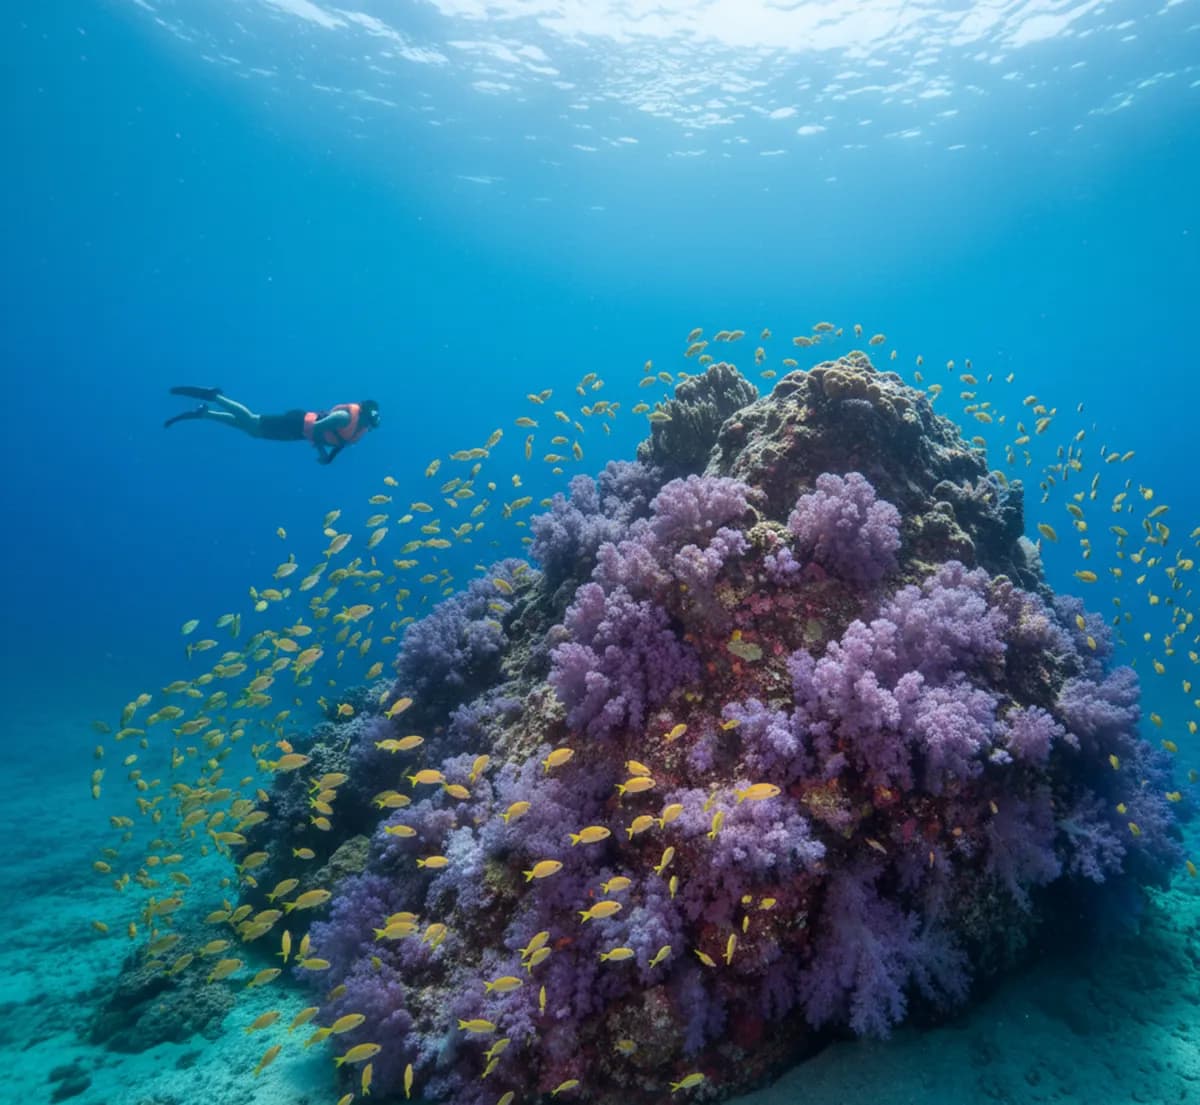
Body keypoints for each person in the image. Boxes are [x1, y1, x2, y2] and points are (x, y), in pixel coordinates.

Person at [165, 386, 380, 464]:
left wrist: (328, 458)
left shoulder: (358, 430)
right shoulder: (344, 417)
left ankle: (206, 413)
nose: (366, 427)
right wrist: (322, 451)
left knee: (253, 431)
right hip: (297, 423)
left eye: (370, 425)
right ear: (362, 413)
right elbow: (318, 429)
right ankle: (216, 397)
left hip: (298, 432)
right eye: (367, 422)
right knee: (252, 421)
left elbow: (339, 442)